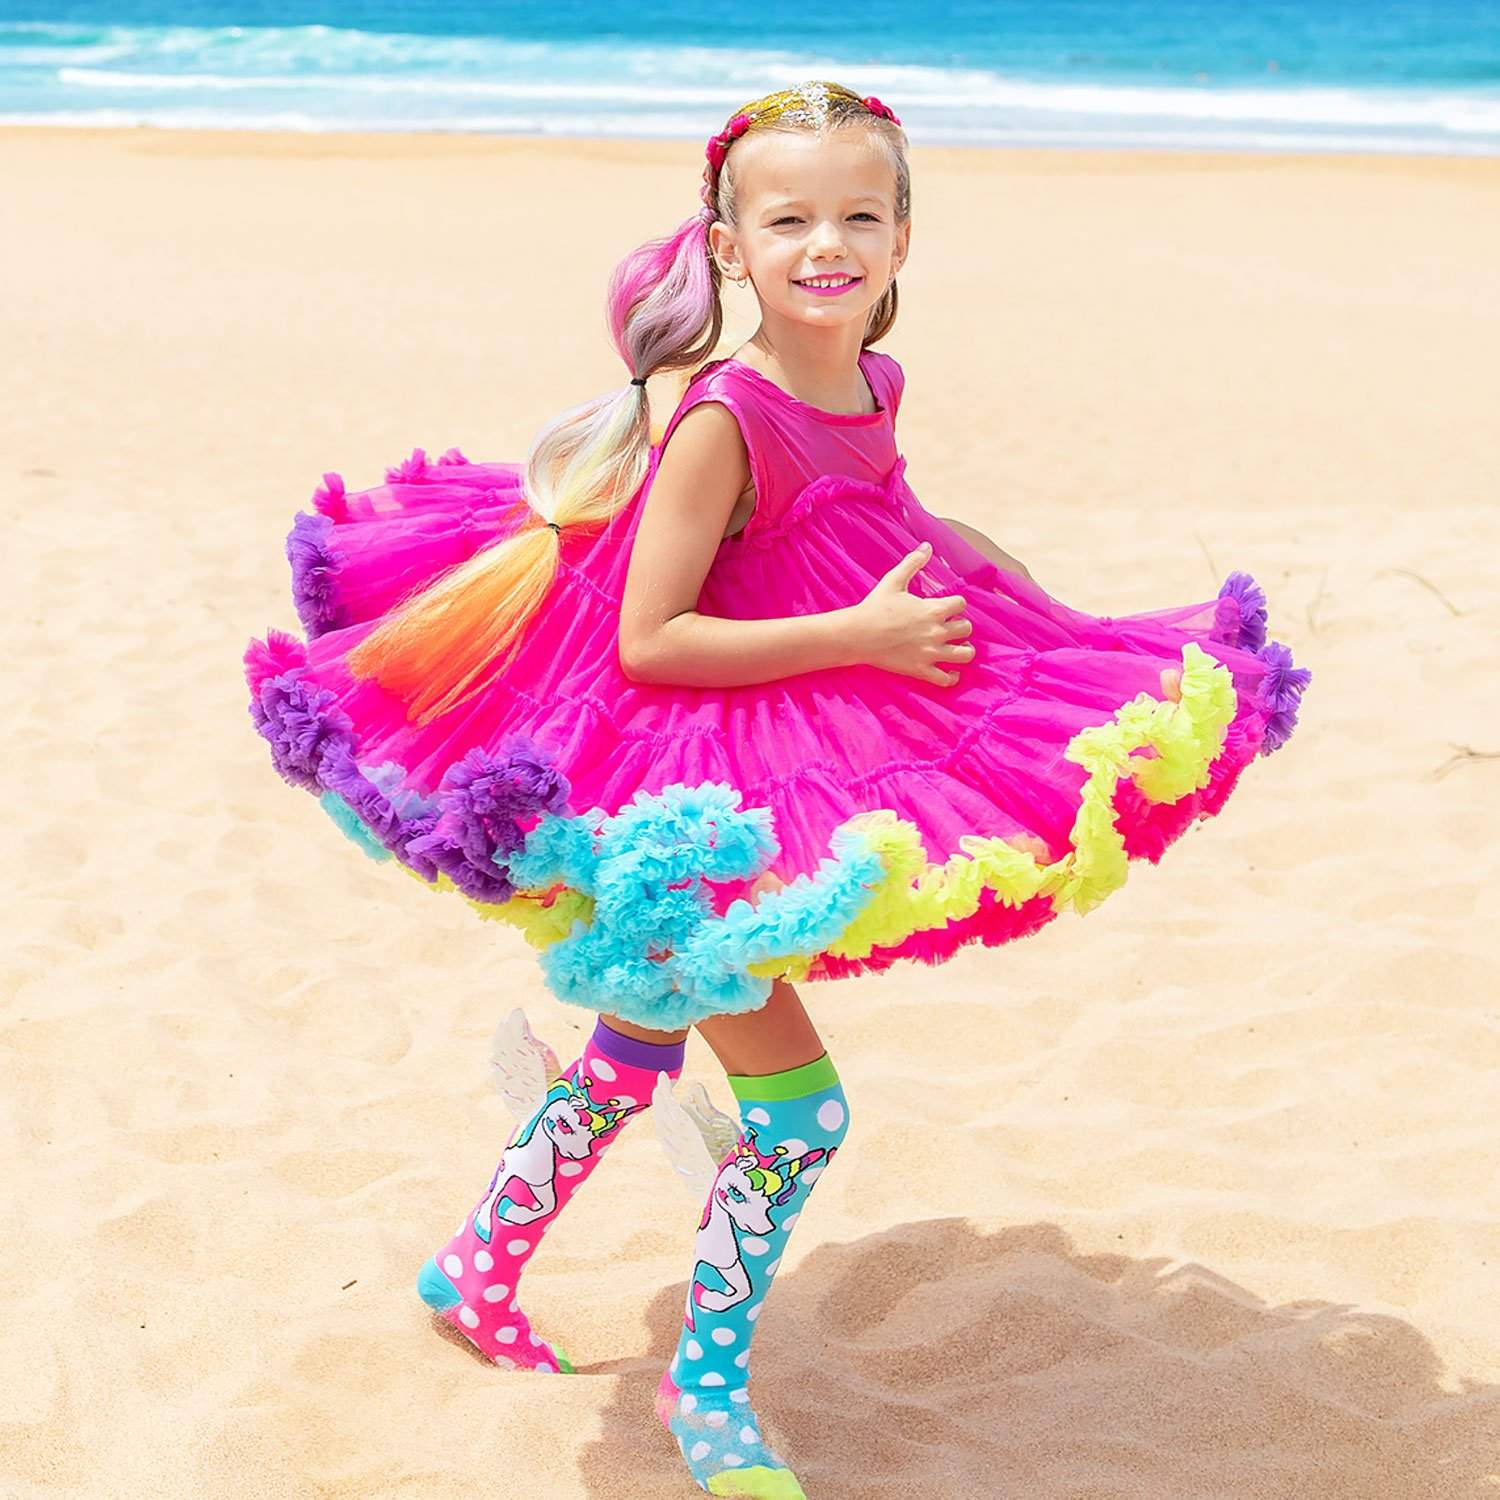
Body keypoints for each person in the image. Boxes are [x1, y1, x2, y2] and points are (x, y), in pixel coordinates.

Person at [243, 78, 1310, 1499]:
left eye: (860, 214)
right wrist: (862, 636)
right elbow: (650, 636)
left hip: (790, 745)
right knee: (802, 1116)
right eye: (789, 217)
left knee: (635, 1046)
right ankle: (705, 1391)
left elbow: (894, 509)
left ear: (905, 239)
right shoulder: (722, 422)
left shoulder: (870, 380)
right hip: (693, 790)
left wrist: (1026, 593)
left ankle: (470, 1271)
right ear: (731, 247)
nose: (828, 243)